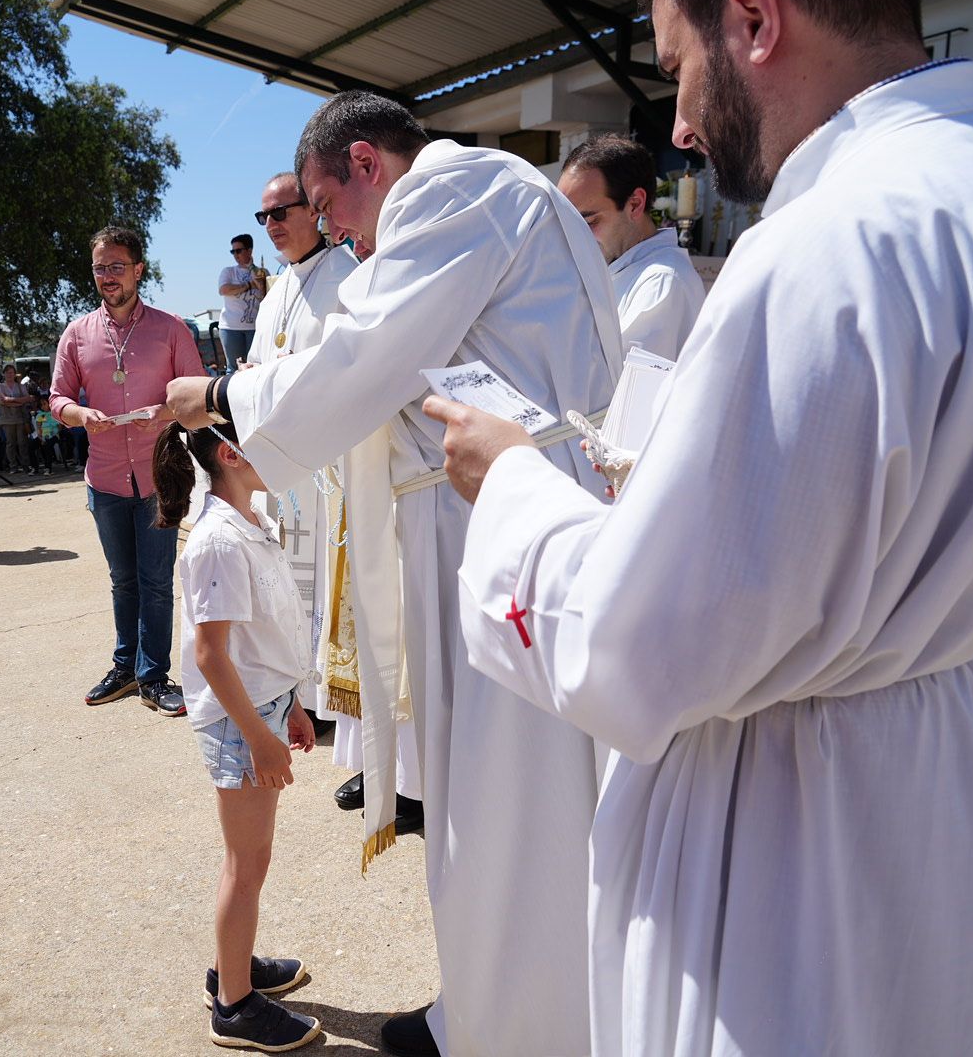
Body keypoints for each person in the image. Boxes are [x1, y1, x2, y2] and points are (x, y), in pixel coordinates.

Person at [422, 0, 973, 1054]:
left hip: (806, 843)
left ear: (752, 18)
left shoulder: (824, 246)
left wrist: (512, 482)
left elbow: (638, 646)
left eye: (677, 70)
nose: (676, 125)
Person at [166, 91, 623, 1057]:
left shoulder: (453, 187)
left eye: (331, 210)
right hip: (477, 509)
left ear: (367, 164)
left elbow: (364, 350)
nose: (338, 239)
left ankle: (518, 1030)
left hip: (494, 516)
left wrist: (217, 392)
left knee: (509, 795)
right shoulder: (478, 193)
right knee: (471, 789)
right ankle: (486, 1009)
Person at [245, 171, 423, 830]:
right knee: (293, 597)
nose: (273, 226)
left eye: (283, 212)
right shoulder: (272, 296)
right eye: (262, 218)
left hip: (338, 482)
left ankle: (340, 723)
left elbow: (348, 374)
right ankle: (311, 705)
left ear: (314, 214)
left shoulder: (349, 272)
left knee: (339, 602)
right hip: (286, 480)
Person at [153, 421, 321, 1053]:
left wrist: (293, 706)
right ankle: (235, 1005)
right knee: (246, 863)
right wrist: (259, 735)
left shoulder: (249, 521)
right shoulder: (219, 541)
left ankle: (233, 967)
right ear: (230, 454)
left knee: (252, 859)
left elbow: (262, 637)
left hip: (265, 705)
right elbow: (212, 656)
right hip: (239, 717)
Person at [50, 226, 205, 717]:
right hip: (106, 476)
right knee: (124, 580)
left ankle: (154, 675)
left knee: (157, 580)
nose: (108, 276)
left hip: (160, 474)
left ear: (139, 270)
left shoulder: (171, 328)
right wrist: (80, 415)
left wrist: (166, 411)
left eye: (117, 266)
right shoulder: (76, 333)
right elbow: (57, 398)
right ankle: (125, 667)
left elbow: (198, 393)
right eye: (100, 268)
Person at [558, 132, 706, 362]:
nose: (576, 237)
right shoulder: (612, 267)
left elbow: (615, 384)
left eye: (588, 222)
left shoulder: (662, 282)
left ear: (635, 204)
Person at [216, 233, 266, 372]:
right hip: (231, 327)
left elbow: (266, 294)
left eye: (239, 250)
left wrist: (255, 275)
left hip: (255, 326)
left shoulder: (261, 272)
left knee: (255, 367)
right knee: (233, 368)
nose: (235, 255)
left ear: (249, 250)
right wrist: (249, 285)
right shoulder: (228, 271)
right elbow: (224, 290)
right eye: (233, 251)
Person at [0, 364, 37, 473]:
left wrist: (10, 401)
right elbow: (2, 401)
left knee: (22, 442)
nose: (10, 374)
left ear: (14, 374)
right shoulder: (0, 386)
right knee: (10, 443)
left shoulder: (20, 386)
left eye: (12, 372)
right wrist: (19, 401)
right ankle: (13, 466)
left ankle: (25, 465)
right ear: (4, 373)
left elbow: (28, 398)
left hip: (20, 417)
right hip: (7, 418)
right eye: (7, 372)